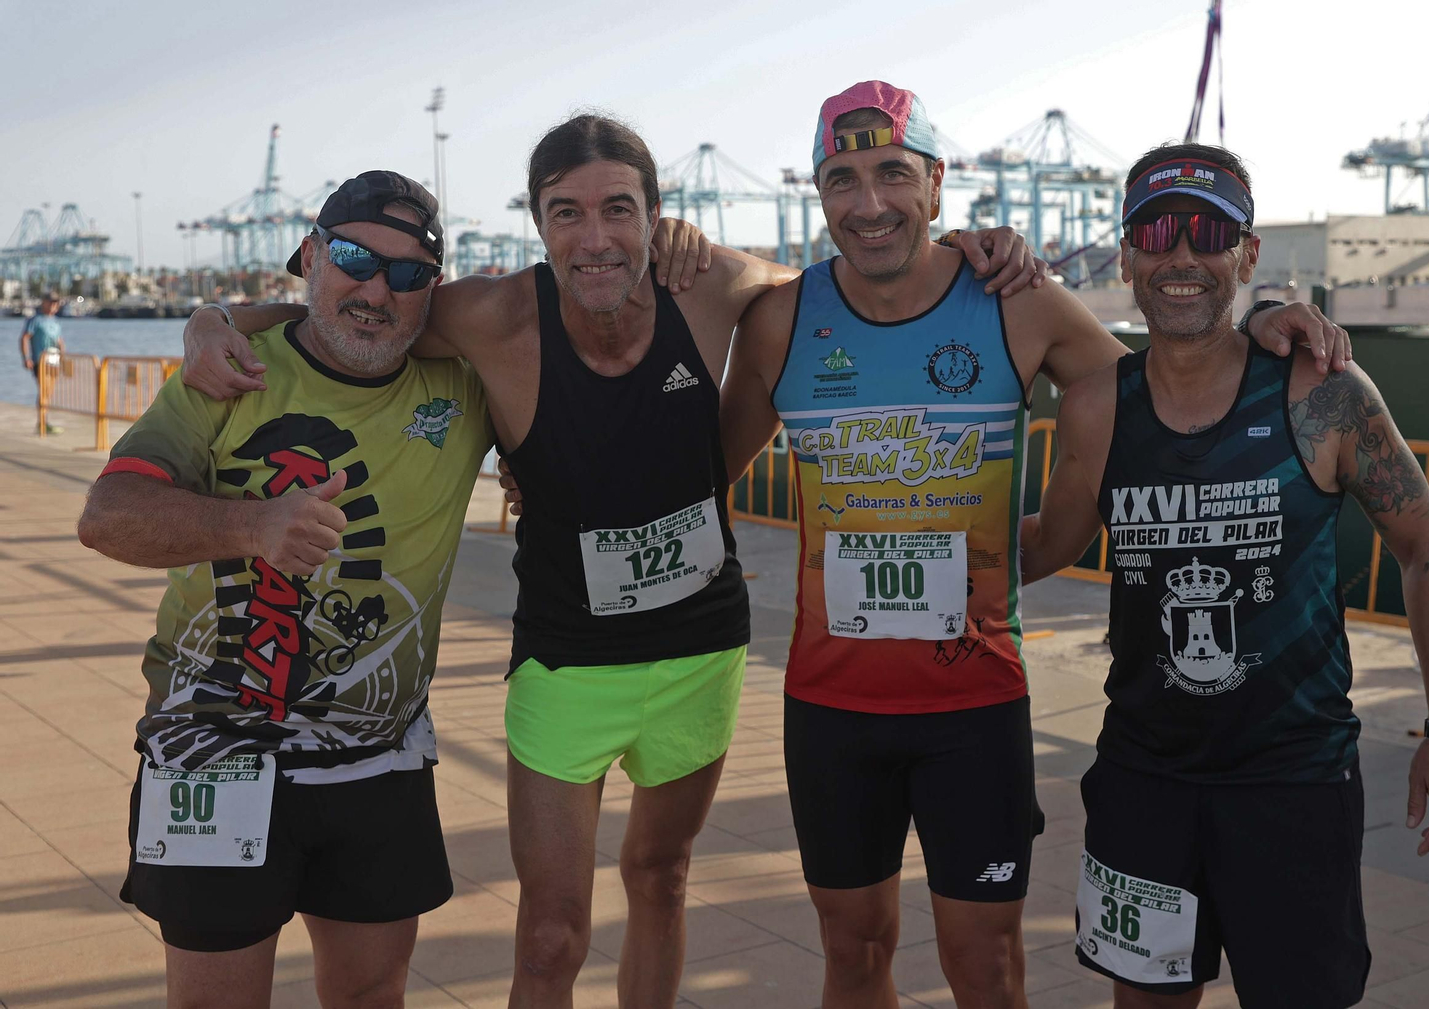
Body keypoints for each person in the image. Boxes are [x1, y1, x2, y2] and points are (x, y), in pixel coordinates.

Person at [178, 113, 1048, 1009]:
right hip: (567, 657)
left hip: (699, 648)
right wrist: (215, 318)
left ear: (656, 216)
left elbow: (833, 281)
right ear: (538, 223)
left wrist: (963, 247)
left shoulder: (708, 282)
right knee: (551, 933)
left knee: (662, 877)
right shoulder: (493, 315)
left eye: (619, 210)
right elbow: (355, 307)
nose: (595, 238)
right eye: (566, 213)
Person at [715, 84, 1350, 1009]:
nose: (869, 202)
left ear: (936, 186)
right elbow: (702, 471)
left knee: (988, 966)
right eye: (841, 178)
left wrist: (1255, 328)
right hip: (830, 704)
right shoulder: (780, 321)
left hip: (973, 705)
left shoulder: (1016, 302)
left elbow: (1159, 376)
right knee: (851, 954)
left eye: (893, 173)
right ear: (819, 194)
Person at [1025, 142, 1429, 1009]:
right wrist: (921, 538)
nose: (1182, 256)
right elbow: (1048, 542)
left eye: (1209, 232)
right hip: (1145, 780)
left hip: (1293, 783)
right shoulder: (1095, 407)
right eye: (1158, 232)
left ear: (1247, 253)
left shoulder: (1322, 394)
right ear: (1126, 255)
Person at [76, 172, 489, 1009]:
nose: (377, 290)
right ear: (309, 254)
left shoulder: (463, 387)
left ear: (431, 291)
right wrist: (249, 527)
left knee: (374, 995)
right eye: (353, 259)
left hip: (377, 759)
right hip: (210, 751)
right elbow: (106, 515)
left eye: (407, 275)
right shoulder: (232, 370)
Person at [19, 290, 65, 433]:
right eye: (50, 301)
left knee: (49, 392)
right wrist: (26, 358)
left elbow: (59, 341)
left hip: (54, 361)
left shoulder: (56, 321)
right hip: (40, 360)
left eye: (55, 302)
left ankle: (44, 422)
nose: (53, 305)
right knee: (44, 391)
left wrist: (64, 357)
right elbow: (24, 338)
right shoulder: (35, 320)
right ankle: (42, 423)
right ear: (44, 302)